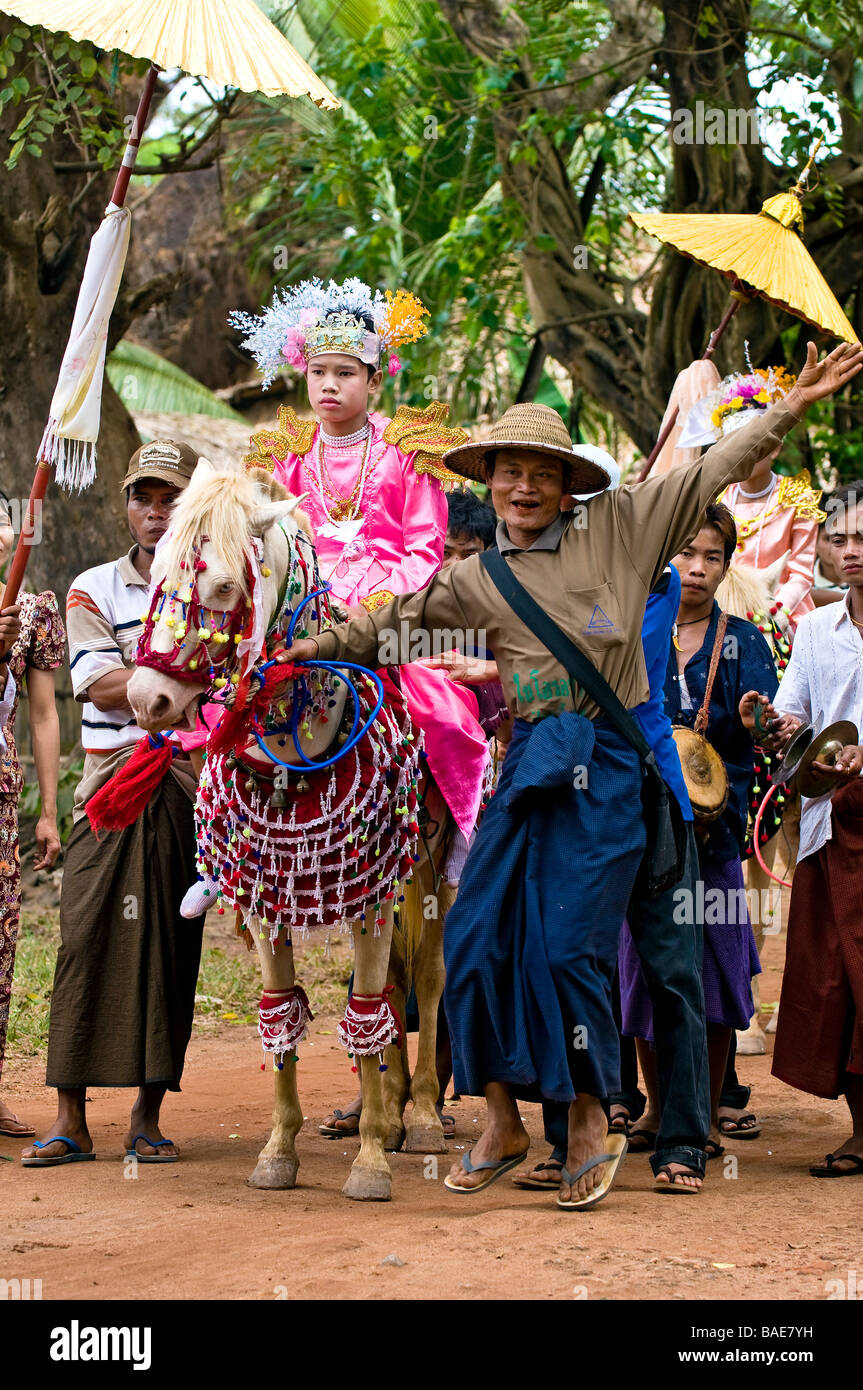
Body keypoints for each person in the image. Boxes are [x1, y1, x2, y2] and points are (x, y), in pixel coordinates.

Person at [282, 341, 861, 1209]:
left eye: (539, 474)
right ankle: (505, 1119)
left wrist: (788, 408)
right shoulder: (477, 579)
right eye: (507, 472)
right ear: (492, 481)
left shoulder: (624, 527)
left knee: (619, 957)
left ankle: (631, 1125)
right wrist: (308, 654)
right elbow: (395, 626)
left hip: (624, 771)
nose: (521, 488)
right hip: (534, 774)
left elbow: (711, 470)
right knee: (475, 941)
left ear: (566, 483)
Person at [22, 440, 206, 1168]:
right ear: (125, 504)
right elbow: (95, 684)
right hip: (109, 781)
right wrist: (182, 677)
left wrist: (172, 682)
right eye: (142, 497)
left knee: (170, 939)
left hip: (186, 782)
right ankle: (70, 1118)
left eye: (170, 499)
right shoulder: (93, 586)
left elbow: (233, 675)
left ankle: (147, 1117)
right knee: (84, 937)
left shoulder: (216, 583)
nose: (154, 512)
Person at [518, 561, 711, 1194]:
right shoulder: (544, 573)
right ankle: (567, 1135)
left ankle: (683, 1139)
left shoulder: (657, 579)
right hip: (572, 800)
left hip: (652, 796)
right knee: (570, 961)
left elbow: (607, 660)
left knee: (671, 972)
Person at [618, 504, 777, 1159]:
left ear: (725, 564)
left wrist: (757, 719)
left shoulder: (743, 642)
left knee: (709, 975)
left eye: (712, 556)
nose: (698, 568)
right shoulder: (628, 630)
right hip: (639, 828)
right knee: (643, 974)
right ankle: (657, 1107)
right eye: (686, 553)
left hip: (711, 838)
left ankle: (705, 1112)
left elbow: (770, 734)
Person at [758, 479, 863, 1176]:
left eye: (862, 537)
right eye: (839, 538)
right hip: (833, 820)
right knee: (839, 977)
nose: (850, 550)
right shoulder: (816, 628)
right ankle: (862, 1129)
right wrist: (773, 723)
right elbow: (791, 706)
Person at [0, 491, 64, 1140]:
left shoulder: (34, 614)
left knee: (2, 943)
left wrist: (46, 810)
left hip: (1, 804)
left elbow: (43, 715)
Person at [681, 362, 825, 633]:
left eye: (754, 444)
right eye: (737, 444)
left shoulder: (798, 498)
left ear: (775, 448)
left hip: (781, 613)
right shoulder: (715, 498)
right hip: (720, 609)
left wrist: (772, 612)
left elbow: (802, 575)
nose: (745, 453)